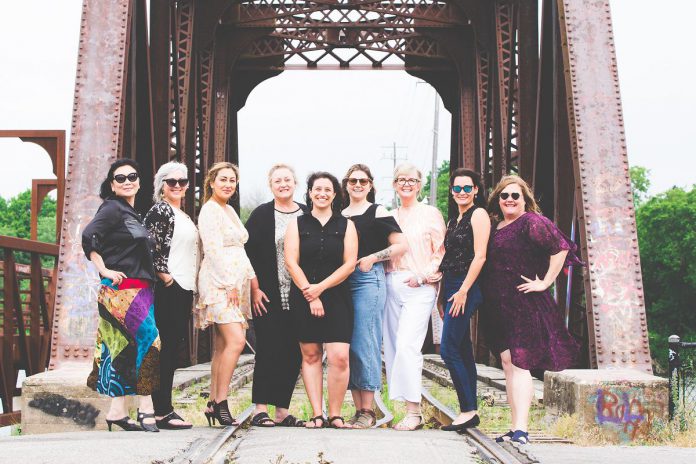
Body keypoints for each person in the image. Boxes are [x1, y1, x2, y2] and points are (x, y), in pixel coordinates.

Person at [482, 175, 581, 445]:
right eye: (505, 196)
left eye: (515, 196)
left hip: (522, 304)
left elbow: (561, 248)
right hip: (497, 306)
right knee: (508, 365)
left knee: (519, 364)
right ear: (498, 200)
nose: (510, 200)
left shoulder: (533, 222)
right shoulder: (497, 226)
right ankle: (514, 427)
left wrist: (545, 282)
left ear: (525, 199)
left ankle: (522, 430)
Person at [82, 159, 160, 432]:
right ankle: (146, 407)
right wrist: (103, 268)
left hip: (140, 290)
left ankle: (117, 412)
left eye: (132, 175)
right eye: (120, 178)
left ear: (139, 180)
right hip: (121, 290)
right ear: (112, 185)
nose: (127, 181)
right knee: (150, 341)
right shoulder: (112, 208)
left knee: (122, 348)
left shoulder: (131, 213)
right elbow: (89, 235)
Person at [285, 172, 358, 429]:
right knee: (312, 355)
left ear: (335, 194)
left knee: (339, 356)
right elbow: (290, 262)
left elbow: (350, 264)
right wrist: (309, 292)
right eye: (317, 189)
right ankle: (317, 413)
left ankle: (336, 413)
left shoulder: (347, 225)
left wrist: (321, 289)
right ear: (310, 192)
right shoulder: (297, 224)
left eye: (328, 189)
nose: (322, 193)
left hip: (337, 295)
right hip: (304, 295)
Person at [341, 164, 406, 428]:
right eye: (353, 180)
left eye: (363, 181)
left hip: (368, 279)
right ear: (346, 184)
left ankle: (367, 409)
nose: (358, 185)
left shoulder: (377, 212)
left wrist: (373, 257)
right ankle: (358, 409)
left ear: (370, 185)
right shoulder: (339, 214)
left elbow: (401, 245)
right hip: (341, 281)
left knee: (364, 341)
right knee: (348, 344)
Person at [384, 163, 446, 430]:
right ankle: (402, 405)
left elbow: (441, 251)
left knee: (409, 345)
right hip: (391, 283)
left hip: (419, 286)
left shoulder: (430, 213)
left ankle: (414, 412)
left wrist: (423, 276)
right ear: (395, 185)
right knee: (394, 347)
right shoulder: (388, 215)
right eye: (401, 180)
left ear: (419, 185)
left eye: (412, 180)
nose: (406, 184)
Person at [195, 162, 258, 426]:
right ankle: (221, 402)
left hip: (236, 284)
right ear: (211, 182)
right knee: (236, 341)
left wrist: (252, 283)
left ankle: (213, 402)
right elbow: (213, 250)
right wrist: (229, 284)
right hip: (219, 284)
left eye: (232, 180)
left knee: (222, 346)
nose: (228, 184)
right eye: (223, 179)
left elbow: (240, 251)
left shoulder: (229, 209)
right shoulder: (210, 211)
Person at [245, 164, 306, 427]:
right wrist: (255, 288)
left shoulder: (306, 213)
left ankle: (282, 409)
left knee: (294, 352)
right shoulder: (260, 214)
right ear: (271, 185)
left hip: (299, 294)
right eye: (278, 180)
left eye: (287, 180)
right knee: (268, 349)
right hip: (267, 294)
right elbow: (247, 255)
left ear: (295, 183)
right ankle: (260, 408)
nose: (283, 184)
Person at [143, 161, 198, 430]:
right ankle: (161, 410)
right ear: (162, 186)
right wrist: (166, 277)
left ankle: (163, 408)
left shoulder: (182, 214)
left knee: (172, 349)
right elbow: (149, 247)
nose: (177, 186)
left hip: (183, 288)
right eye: (171, 182)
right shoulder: (161, 210)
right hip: (169, 289)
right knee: (165, 350)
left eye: (182, 182)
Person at [437, 169, 490, 432]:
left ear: (476, 190)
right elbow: (447, 261)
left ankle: (467, 410)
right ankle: (471, 409)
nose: (461, 193)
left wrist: (464, 290)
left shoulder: (477, 215)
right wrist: (442, 294)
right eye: (457, 188)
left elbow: (479, 256)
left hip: (465, 286)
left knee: (448, 349)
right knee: (463, 348)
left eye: (467, 188)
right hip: (452, 285)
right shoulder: (454, 220)